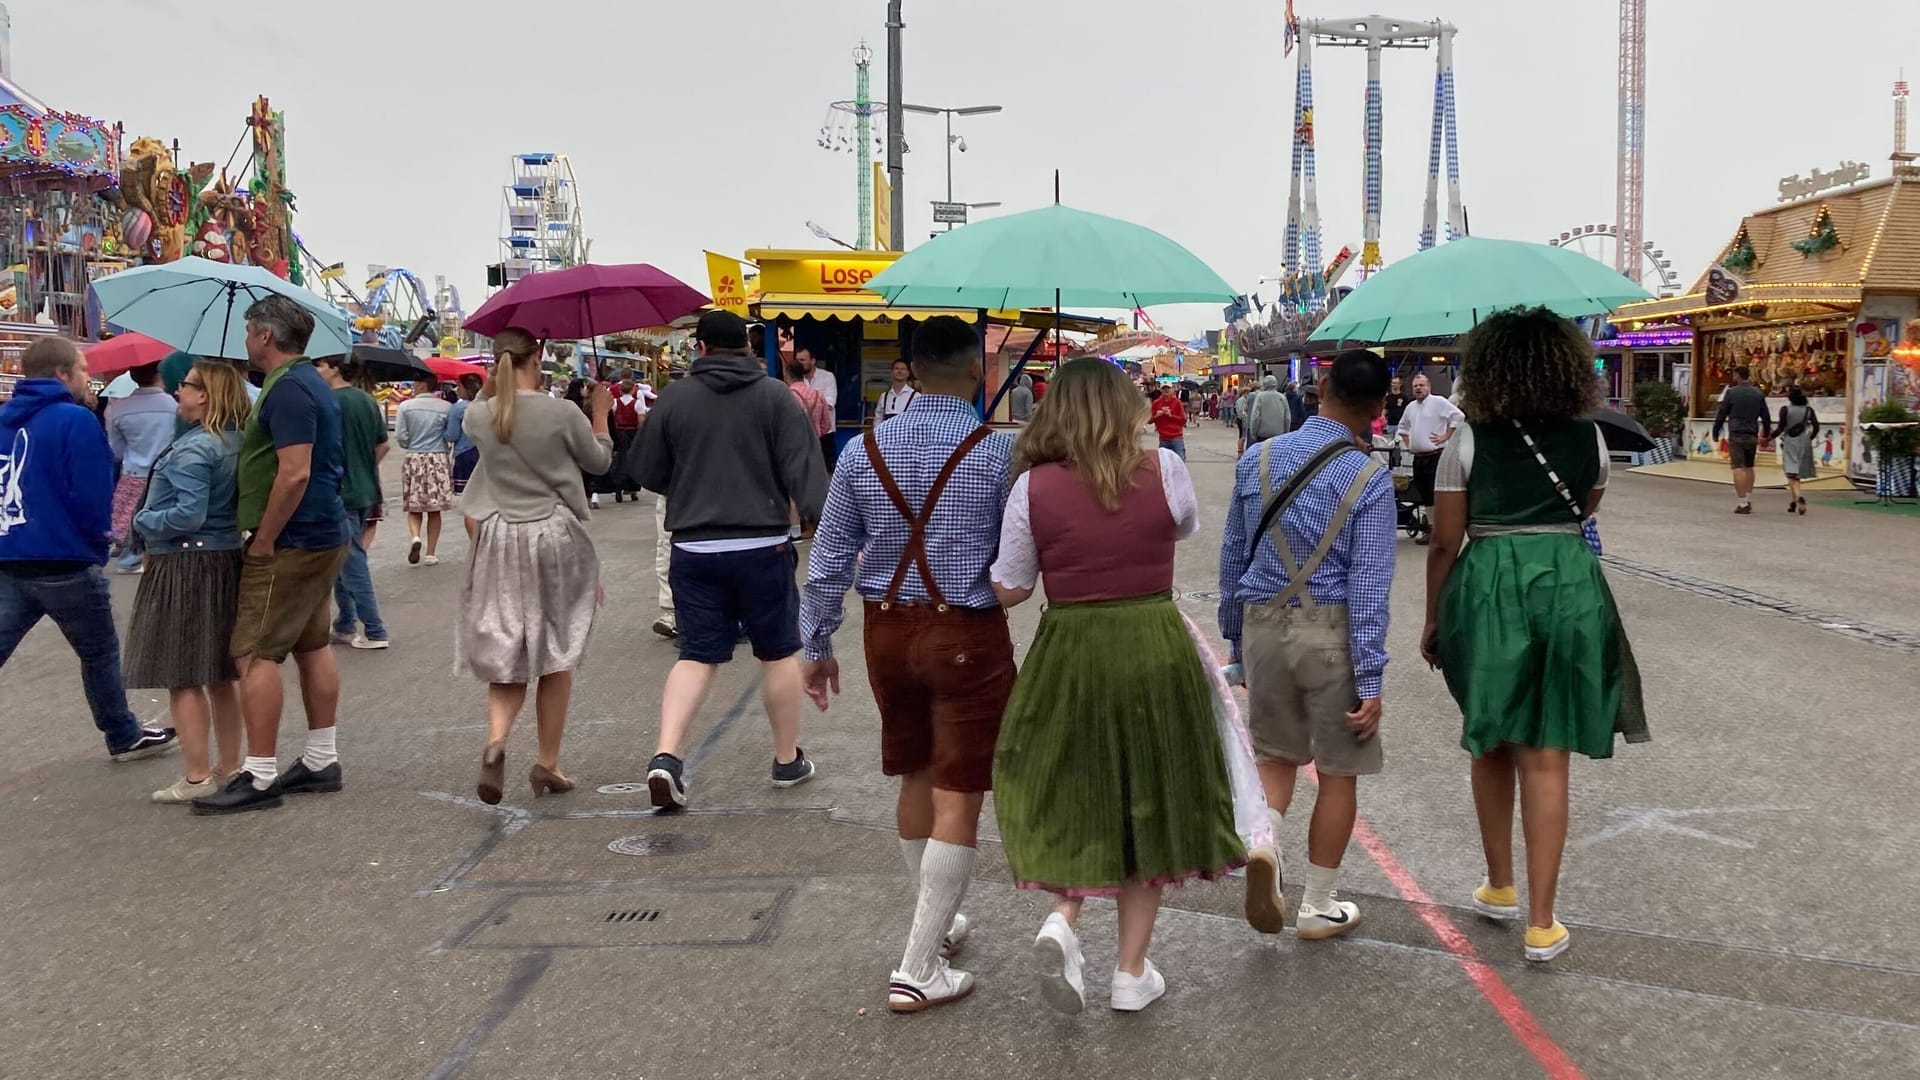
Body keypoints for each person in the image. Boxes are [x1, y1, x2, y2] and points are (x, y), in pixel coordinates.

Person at [991, 358, 1245, 1015]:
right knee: (1151, 794)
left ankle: (1065, 917)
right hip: (1154, 642)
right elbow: (1183, 526)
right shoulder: (1165, 469)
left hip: (1072, 647)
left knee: (1073, 779)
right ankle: (1131, 974)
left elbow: (1012, 585)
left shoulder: (1033, 487)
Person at [798, 316, 1015, 1013]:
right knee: (960, 788)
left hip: (885, 629)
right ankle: (919, 965)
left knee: (915, 770)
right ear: (976, 373)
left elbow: (828, 557)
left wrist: (816, 644)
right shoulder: (996, 453)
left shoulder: (864, 451)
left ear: (911, 371)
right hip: (966, 632)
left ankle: (940, 921)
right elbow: (1019, 558)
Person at [1420, 307, 1648, 964]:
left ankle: (1499, 886)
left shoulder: (1468, 442)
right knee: (1548, 752)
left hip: (1490, 584)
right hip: (1571, 585)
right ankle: (1544, 924)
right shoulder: (1591, 441)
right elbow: (1584, 510)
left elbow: (1444, 540)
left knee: (1491, 736)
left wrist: (1433, 618)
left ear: (1487, 368)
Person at [1219, 350, 1395, 941]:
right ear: (1378, 408)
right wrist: (1370, 680)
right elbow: (1369, 585)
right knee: (1338, 772)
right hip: (1329, 631)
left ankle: (1265, 850)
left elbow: (1232, 556)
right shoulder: (1369, 478)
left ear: (1320, 387)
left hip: (1264, 624)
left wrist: (1236, 637)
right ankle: (1319, 904)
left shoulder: (1259, 459)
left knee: (1275, 759)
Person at [635, 310, 829, 809]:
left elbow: (646, 470)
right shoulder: (775, 398)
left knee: (697, 654)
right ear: (747, 347)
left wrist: (692, 485)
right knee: (778, 652)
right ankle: (787, 759)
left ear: (699, 349)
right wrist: (824, 527)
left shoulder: (675, 398)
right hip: (762, 545)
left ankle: (666, 756)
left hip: (695, 547)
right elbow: (804, 472)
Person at [191, 295, 350, 815]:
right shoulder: (307, 384)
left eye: (248, 330)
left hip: (292, 537)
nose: (245, 339)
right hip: (319, 531)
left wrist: (264, 537)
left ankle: (258, 775)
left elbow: (295, 471)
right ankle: (320, 759)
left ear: (265, 336)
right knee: (310, 643)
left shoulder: (289, 389)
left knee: (254, 651)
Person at [0, 338, 178, 762]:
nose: (88, 378)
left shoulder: (5, 417)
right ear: (62, 374)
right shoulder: (75, 420)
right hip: (66, 558)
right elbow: (91, 494)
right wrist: (98, 539)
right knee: (98, 652)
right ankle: (121, 733)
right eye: (82, 370)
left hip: (11, 553)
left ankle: (123, 731)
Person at [460, 329, 614, 803]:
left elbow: (486, 411)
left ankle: (497, 739)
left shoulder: (478, 416)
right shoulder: (561, 411)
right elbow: (601, 462)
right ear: (540, 357)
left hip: (500, 537)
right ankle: (547, 760)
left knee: (508, 654)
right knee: (557, 652)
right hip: (551, 534)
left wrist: (491, 386)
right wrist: (601, 414)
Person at [124, 360, 251, 802]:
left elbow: (187, 514)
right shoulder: (237, 441)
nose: (179, 391)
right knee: (220, 673)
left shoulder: (195, 449)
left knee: (183, 673)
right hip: (224, 559)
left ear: (205, 394)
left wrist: (144, 519)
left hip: (184, 564)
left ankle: (196, 776)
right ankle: (229, 765)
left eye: (187, 385)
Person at [318, 354, 391, 650]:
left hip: (339, 489)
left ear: (334, 368)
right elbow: (383, 444)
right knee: (343, 557)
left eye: (319, 365)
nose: (315, 371)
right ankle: (345, 622)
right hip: (365, 488)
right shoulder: (366, 400)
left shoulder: (329, 403)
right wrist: (364, 466)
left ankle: (374, 628)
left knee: (351, 560)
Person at [104, 361, 179, 573]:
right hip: (166, 469)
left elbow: (116, 449)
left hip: (134, 471)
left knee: (131, 515)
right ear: (159, 375)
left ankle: (130, 558)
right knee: (163, 513)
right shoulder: (173, 405)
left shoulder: (119, 407)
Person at [1397, 373, 1464, 545]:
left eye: (1421, 385)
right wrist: (1409, 443)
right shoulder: (1410, 407)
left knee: (1438, 495)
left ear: (1428, 387)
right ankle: (1432, 529)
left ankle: (1443, 531)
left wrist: (1445, 436)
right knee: (1425, 496)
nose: (1418, 389)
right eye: (1415, 386)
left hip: (1436, 456)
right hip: (1418, 458)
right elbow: (1402, 427)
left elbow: (1458, 416)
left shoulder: (1439, 402)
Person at [394, 374, 453, 564]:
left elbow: (401, 436)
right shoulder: (446, 408)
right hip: (438, 458)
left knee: (414, 506)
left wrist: (412, 443)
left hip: (414, 457)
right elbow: (450, 434)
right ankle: (431, 553)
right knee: (434, 509)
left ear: (420, 385)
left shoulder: (405, 407)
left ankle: (415, 536)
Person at [1711, 365, 1772, 514]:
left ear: (1737, 375)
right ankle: (1748, 497)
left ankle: (1742, 502)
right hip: (1752, 434)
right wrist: (1766, 435)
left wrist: (1715, 431)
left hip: (1736, 433)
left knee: (1738, 467)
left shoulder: (1731, 393)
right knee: (1750, 466)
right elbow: (1766, 417)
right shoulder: (1758, 393)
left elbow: (1722, 414)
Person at [1775, 386, 1819, 515]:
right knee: (1797, 473)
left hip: (1790, 441)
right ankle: (1794, 502)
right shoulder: (1808, 410)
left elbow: (1780, 428)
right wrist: (1809, 438)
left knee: (1790, 472)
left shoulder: (1785, 410)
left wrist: (1768, 438)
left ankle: (1798, 496)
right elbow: (1816, 426)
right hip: (1804, 441)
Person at [796, 346, 839, 467]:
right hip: (803, 432)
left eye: (802, 360)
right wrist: (817, 400)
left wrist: (804, 403)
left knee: (825, 468)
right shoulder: (797, 379)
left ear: (813, 361)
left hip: (824, 433)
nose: (799, 364)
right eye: (797, 360)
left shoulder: (827, 377)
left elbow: (830, 402)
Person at [784, 358, 835, 461]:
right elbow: (826, 426)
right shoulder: (818, 395)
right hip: (815, 448)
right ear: (803, 375)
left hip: (793, 450)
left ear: (787, 375)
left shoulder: (785, 395)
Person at [610, 373, 647, 503]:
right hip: (632, 433)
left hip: (620, 433)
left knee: (619, 460)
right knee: (633, 459)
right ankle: (632, 490)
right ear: (633, 390)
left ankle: (618, 488)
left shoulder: (615, 403)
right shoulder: (638, 404)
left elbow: (612, 418)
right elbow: (641, 421)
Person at [448, 373, 483, 497]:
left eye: (460, 386)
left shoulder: (458, 408)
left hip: (463, 453)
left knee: (466, 495)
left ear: (467, 388)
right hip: (483, 452)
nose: (457, 390)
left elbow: (452, 435)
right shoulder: (486, 405)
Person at [1243, 373, 1294, 448]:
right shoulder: (1282, 397)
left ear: (1264, 384)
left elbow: (1256, 417)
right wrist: (1285, 432)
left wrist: (1253, 432)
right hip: (1279, 435)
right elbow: (1287, 417)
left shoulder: (1260, 396)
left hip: (1263, 435)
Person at [1149, 383, 1188, 460]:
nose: (1166, 390)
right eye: (1164, 388)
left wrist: (1171, 415)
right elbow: (1148, 421)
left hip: (1176, 437)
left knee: (1180, 460)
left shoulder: (1177, 402)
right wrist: (1156, 416)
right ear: (1161, 390)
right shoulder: (1156, 403)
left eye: (1168, 388)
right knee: (1164, 462)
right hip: (1163, 438)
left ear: (1172, 389)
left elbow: (1183, 420)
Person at [876, 359, 918, 424]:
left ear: (908, 373)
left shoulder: (916, 396)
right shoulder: (884, 396)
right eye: (896, 368)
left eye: (903, 369)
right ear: (892, 372)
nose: (899, 371)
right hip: (886, 433)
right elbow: (878, 419)